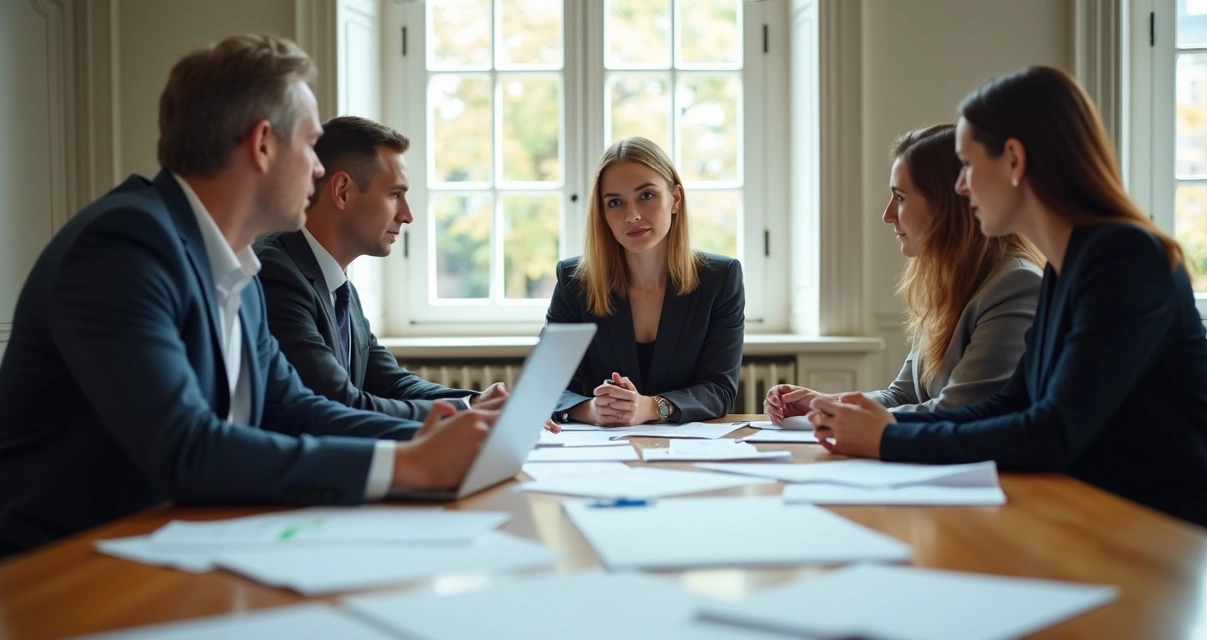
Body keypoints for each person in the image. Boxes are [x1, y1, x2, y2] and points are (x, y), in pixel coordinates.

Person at [0, 34, 493, 557]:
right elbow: (187, 447)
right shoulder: (124, 245)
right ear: (262, 144)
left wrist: (436, 428)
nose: (320, 168)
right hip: (66, 567)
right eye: (309, 144)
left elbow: (294, 408)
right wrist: (410, 464)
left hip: (178, 543)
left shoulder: (240, 266)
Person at [805, 66, 1207, 529]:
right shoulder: (1070, 265)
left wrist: (887, 440)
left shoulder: (1124, 259)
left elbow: (1051, 432)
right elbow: (1010, 404)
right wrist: (889, 426)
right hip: (1093, 517)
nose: (961, 187)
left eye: (968, 165)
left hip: (1165, 535)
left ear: (1015, 161)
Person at [255, 116, 551, 427]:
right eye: (395, 194)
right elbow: (337, 402)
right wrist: (467, 415)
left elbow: (391, 382)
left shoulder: (340, 286)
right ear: (342, 191)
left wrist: (476, 401)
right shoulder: (277, 275)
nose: (407, 215)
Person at [766, 124, 1043, 422]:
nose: (887, 215)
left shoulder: (1015, 284)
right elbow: (903, 395)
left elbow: (962, 410)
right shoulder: (947, 283)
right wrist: (825, 404)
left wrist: (847, 419)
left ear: (947, 205)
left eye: (900, 197)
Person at [546, 137, 745, 427]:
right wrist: (593, 410)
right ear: (602, 214)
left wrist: (652, 407)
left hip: (687, 455)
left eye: (646, 196)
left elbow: (719, 389)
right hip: (599, 452)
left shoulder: (720, 278)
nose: (632, 216)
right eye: (615, 203)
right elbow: (548, 388)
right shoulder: (573, 281)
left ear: (675, 199)